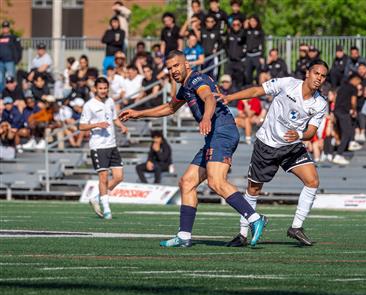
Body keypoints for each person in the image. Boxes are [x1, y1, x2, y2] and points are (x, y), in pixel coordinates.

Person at [119, 50, 267, 248]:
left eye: (176, 66)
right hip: (214, 136)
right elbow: (170, 108)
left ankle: (255, 218)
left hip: (222, 132)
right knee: (187, 182)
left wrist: (206, 118)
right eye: (169, 68)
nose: (173, 70)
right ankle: (184, 235)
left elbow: (209, 98)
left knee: (216, 182)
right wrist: (139, 113)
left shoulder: (197, 79)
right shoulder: (185, 87)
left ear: (186, 64)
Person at [217, 60, 328, 247]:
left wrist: (299, 134)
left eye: (323, 76)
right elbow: (255, 91)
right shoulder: (287, 84)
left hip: (292, 146)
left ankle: (296, 227)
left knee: (313, 181)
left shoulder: (320, 104)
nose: (319, 78)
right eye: (316, 73)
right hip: (266, 145)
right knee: (253, 189)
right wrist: (230, 97)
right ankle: (243, 234)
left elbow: (311, 132)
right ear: (308, 73)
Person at [79, 77, 128, 220]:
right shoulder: (89, 105)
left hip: (112, 144)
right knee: (104, 177)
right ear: (95, 89)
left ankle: (96, 197)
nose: (103, 91)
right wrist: (96, 125)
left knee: (119, 177)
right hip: (98, 146)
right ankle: (107, 209)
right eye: (100, 88)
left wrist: (122, 126)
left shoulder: (110, 101)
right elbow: (81, 126)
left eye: (105, 88)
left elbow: (113, 118)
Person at [332, 74, 363, 165]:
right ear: (355, 79)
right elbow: (353, 101)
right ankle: (339, 155)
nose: (359, 84)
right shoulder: (353, 88)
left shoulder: (341, 88)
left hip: (337, 111)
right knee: (346, 132)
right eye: (359, 82)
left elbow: (336, 99)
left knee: (347, 128)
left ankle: (351, 142)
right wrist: (353, 110)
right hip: (343, 112)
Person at [0, 21, 22, 92]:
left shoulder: (13, 37)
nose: (5, 29)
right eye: (4, 27)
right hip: (1, 62)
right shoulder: (0, 37)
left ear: (9, 28)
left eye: (6, 27)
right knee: (1, 79)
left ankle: (12, 94)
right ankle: (2, 94)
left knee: (11, 79)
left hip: (10, 61)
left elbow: (19, 49)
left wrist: (17, 60)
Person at [225, 18, 246, 88]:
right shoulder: (229, 34)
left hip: (239, 62)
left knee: (239, 82)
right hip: (230, 61)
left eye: (238, 24)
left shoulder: (243, 34)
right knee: (227, 80)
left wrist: (242, 56)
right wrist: (229, 54)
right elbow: (226, 46)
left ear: (240, 25)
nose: (236, 26)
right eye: (234, 25)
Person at [199, 15, 222, 79]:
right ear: (205, 22)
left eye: (211, 21)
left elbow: (221, 44)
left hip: (213, 57)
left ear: (214, 23)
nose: (209, 23)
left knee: (213, 76)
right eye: (208, 21)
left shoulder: (217, 32)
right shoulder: (202, 31)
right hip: (203, 57)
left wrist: (216, 49)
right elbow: (199, 42)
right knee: (203, 75)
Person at [244, 15, 264, 85]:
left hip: (257, 55)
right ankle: (249, 89)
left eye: (254, 21)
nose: (253, 23)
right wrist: (245, 28)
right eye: (251, 21)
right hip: (248, 55)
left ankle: (258, 89)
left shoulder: (260, 31)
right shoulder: (247, 31)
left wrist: (262, 56)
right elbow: (241, 38)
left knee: (259, 74)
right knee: (247, 74)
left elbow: (263, 44)